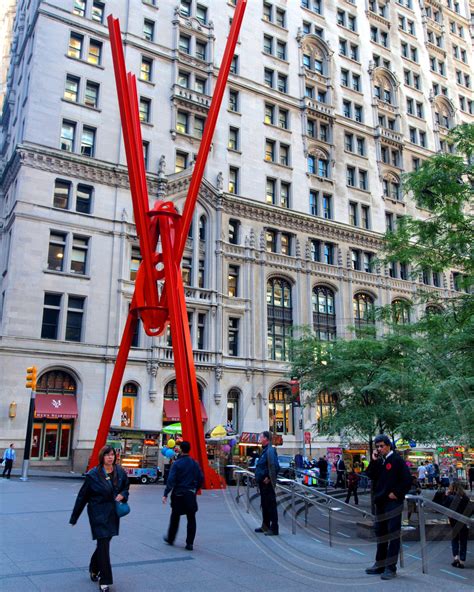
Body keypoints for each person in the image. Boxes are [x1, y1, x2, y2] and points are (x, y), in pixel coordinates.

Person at [70, 446, 129, 592]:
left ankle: (93, 568)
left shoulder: (120, 471)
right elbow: (82, 497)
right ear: (102, 457)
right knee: (104, 544)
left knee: (104, 543)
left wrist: (123, 494)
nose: (110, 457)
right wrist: (74, 517)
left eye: (112, 455)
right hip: (98, 513)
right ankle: (105, 580)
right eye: (107, 455)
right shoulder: (93, 475)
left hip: (113, 513)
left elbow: (126, 487)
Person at [365, 435, 412, 581]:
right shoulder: (380, 461)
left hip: (392, 503)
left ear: (388, 445)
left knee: (393, 534)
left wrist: (396, 493)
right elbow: (370, 475)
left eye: (381, 446)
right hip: (380, 503)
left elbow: (407, 480)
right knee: (381, 533)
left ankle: (390, 567)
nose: (379, 449)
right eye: (377, 446)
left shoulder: (396, 460)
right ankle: (380, 564)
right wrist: (373, 461)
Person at [162, 440, 204, 551]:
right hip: (190, 494)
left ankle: (171, 538)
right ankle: (189, 543)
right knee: (191, 518)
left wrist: (166, 493)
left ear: (180, 449)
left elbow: (171, 480)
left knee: (175, 516)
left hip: (178, 494)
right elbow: (201, 478)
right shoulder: (194, 464)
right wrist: (195, 489)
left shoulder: (177, 464)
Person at [254, 431, 280, 536]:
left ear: (266, 439)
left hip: (267, 484)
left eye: (261, 437)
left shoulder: (270, 451)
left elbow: (275, 466)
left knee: (270, 505)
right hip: (263, 483)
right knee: (265, 505)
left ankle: (274, 528)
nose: (259, 438)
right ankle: (265, 525)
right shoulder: (265, 451)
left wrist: (269, 478)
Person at [443, 482, 472, 569]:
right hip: (464, 521)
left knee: (455, 539)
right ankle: (462, 561)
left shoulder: (450, 497)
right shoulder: (465, 498)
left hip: (453, 521)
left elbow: (443, 507)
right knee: (463, 541)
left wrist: (446, 495)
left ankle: (456, 557)